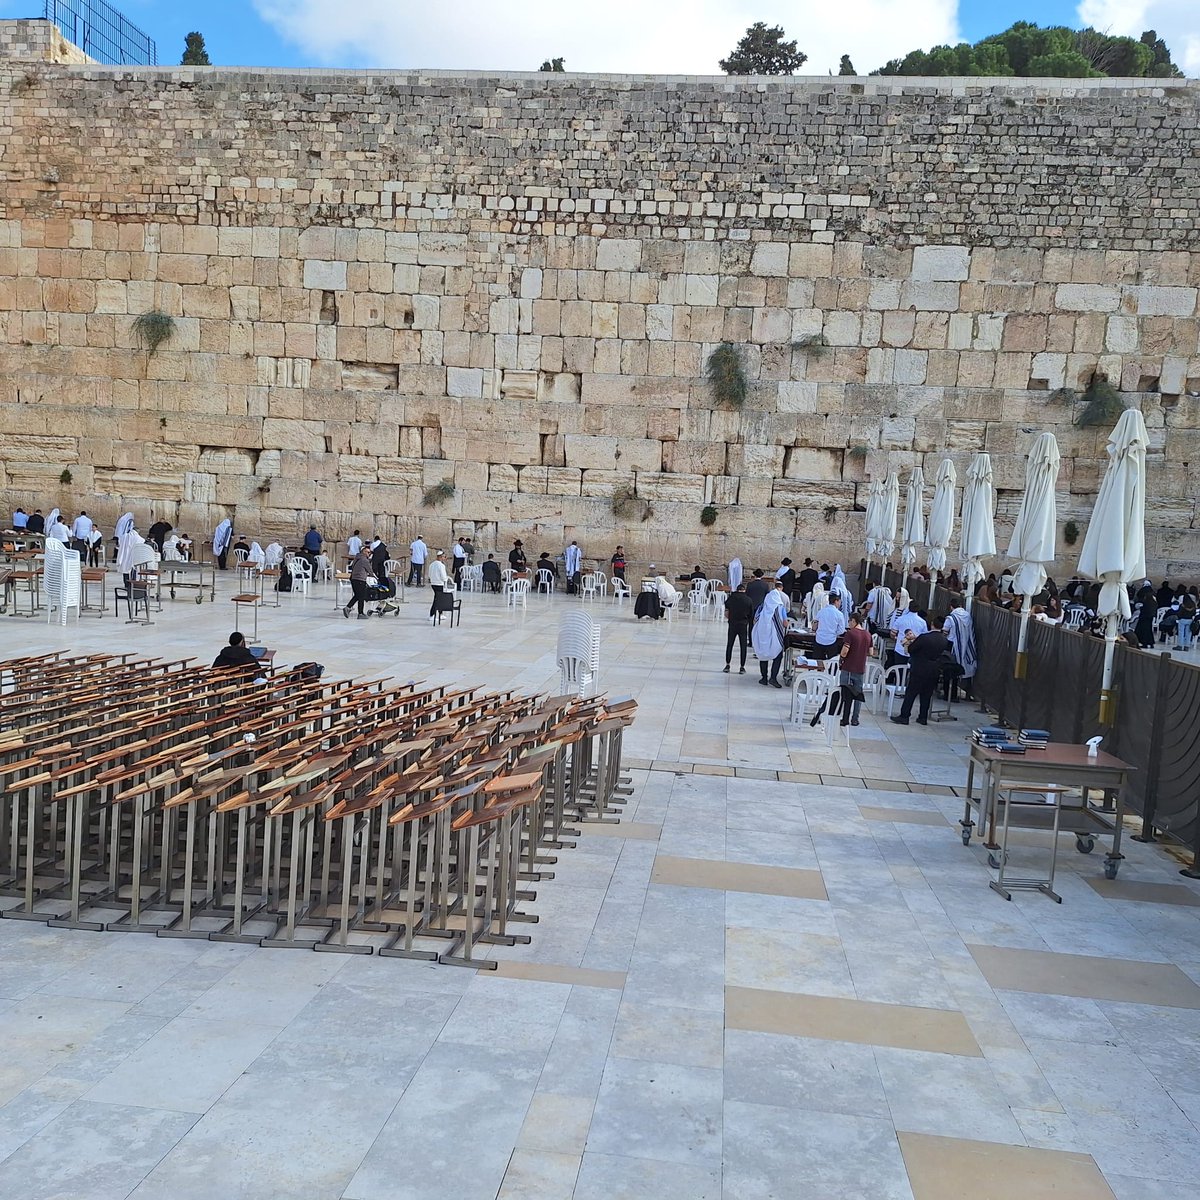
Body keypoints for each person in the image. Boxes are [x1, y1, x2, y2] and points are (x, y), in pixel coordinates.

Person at [892, 625, 951, 725]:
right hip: (934, 669)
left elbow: (911, 649)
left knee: (911, 693)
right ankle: (922, 717)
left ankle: (904, 716)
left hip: (919, 668)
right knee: (927, 694)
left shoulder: (924, 637)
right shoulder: (944, 640)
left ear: (932, 624)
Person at [752, 579, 788, 688]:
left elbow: (755, 620)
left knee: (763, 654)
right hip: (775, 636)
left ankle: (764, 678)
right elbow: (785, 623)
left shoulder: (762, 607)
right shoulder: (780, 607)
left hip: (763, 635)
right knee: (777, 655)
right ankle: (773, 678)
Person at [838, 611, 872, 727]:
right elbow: (871, 652)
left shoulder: (850, 634)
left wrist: (842, 657)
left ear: (853, 621)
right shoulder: (868, 634)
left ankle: (844, 717)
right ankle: (855, 718)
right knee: (858, 694)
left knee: (845, 693)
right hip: (860, 668)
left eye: (849, 621)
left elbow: (845, 651)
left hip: (848, 667)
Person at [943, 601, 977, 702]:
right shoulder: (967, 616)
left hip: (952, 647)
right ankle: (955, 694)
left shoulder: (951, 618)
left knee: (948, 670)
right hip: (965, 645)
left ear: (951, 607)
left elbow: (945, 631)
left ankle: (947, 694)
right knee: (957, 670)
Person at [723, 582, 754, 673]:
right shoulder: (748, 600)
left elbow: (726, 605)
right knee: (743, 646)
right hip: (743, 624)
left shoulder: (732, 598)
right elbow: (751, 614)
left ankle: (727, 665)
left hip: (732, 623)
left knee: (730, 644)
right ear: (744, 590)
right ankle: (742, 666)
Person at [887, 603, 928, 669]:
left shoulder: (900, 619)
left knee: (899, 672)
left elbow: (893, 633)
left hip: (900, 650)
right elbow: (924, 637)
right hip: (915, 652)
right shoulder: (922, 622)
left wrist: (896, 639)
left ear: (908, 608)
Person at [813, 591, 847, 660]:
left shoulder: (821, 611)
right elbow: (841, 630)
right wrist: (834, 633)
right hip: (831, 641)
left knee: (817, 661)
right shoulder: (839, 614)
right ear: (836, 601)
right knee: (832, 662)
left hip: (819, 640)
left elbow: (815, 625)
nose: (840, 604)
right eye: (839, 602)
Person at [343, 547, 373, 619]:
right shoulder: (364, 560)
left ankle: (348, 607)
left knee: (357, 595)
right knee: (361, 597)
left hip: (354, 579)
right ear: (364, 552)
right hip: (360, 579)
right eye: (368, 552)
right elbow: (370, 570)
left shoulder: (357, 558)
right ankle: (360, 613)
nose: (369, 554)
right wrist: (373, 576)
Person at [428, 549, 449, 620]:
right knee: (437, 599)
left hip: (433, 584)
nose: (444, 558)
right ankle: (432, 614)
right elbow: (443, 576)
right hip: (439, 584)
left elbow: (429, 574)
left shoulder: (432, 564)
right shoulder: (441, 565)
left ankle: (440, 614)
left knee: (438, 599)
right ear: (440, 557)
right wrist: (445, 580)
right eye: (443, 557)